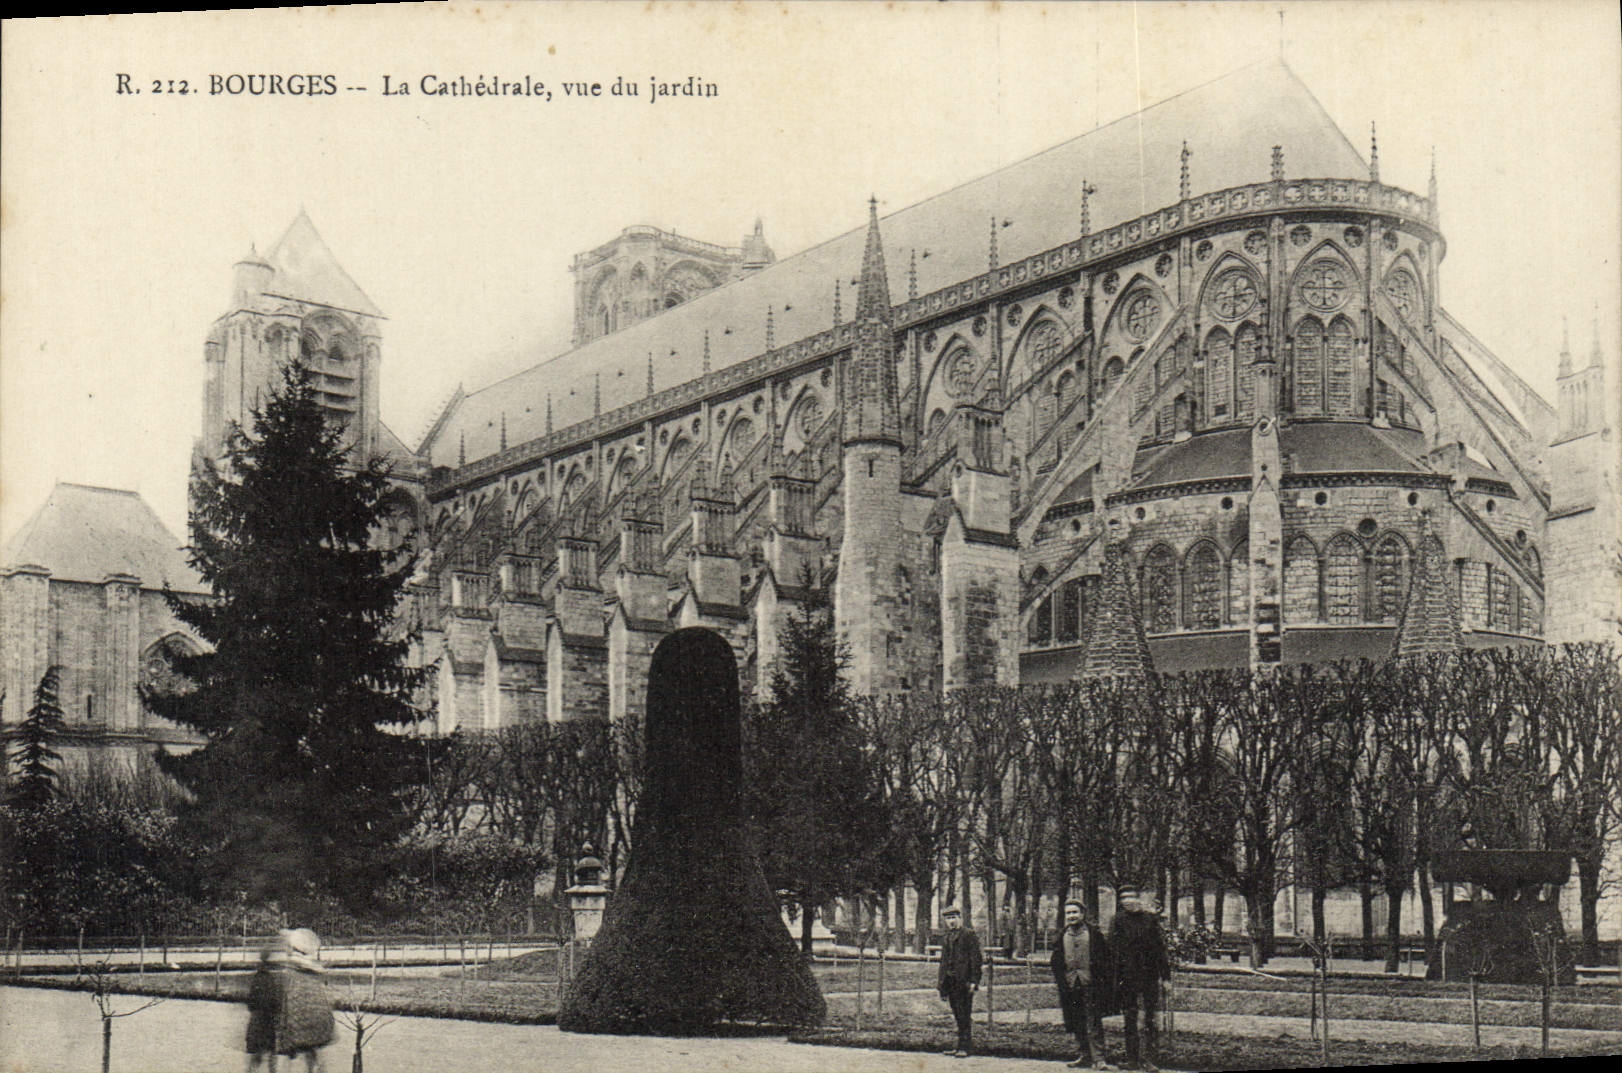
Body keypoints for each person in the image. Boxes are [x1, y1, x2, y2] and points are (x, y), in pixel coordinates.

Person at [1051, 899, 1116, 1070]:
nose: (1072, 916)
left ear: (1082, 914)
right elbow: (1056, 960)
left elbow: (1106, 959)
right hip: (1071, 985)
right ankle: (1084, 1055)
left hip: (1091, 984)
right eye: (1069, 913)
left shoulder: (1094, 934)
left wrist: (1102, 980)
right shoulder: (1062, 935)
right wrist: (1062, 979)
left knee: (1093, 1021)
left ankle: (1099, 1058)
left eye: (1075, 912)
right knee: (1076, 1021)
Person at [1111, 887, 1170, 1073]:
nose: (1128, 901)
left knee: (1150, 1018)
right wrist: (1114, 978)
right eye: (1124, 899)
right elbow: (1113, 950)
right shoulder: (1117, 920)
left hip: (1149, 976)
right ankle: (1132, 1060)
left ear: (1138, 899)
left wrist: (1166, 977)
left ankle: (1149, 1060)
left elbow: (1160, 949)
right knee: (1130, 1018)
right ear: (1121, 903)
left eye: (1131, 897)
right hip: (1127, 978)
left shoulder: (1150, 919)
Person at [274, 928, 336, 1073]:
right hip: (316, 1023)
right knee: (314, 1056)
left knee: (286, 1058)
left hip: (295, 1023)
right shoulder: (315, 970)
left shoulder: (291, 969)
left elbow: (286, 998)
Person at [935, 904, 983, 1058]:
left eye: (953, 918)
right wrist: (941, 985)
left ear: (960, 918)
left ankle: (966, 1047)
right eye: (948, 918)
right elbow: (943, 962)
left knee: (964, 1013)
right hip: (950, 981)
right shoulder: (947, 937)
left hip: (964, 981)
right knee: (957, 1014)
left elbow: (976, 959)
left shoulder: (969, 935)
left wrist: (974, 981)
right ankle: (959, 1046)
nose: (951, 921)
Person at [244, 936, 286, 1071]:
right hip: (270, 1023)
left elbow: (250, 1003)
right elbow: (279, 1003)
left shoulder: (258, 978)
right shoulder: (275, 980)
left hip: (258, 1022)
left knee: (256, 1059)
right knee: (272, 1059)